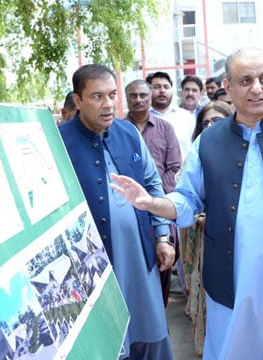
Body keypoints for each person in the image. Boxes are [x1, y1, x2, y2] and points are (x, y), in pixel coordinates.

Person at [111, 47, 263, 359]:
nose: (256, 88)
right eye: (245, 80)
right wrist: (151, 203)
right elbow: (187, 200)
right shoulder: (209, 142)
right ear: (228, 87)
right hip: (231, 276)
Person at [59, 64, 175, 359]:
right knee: (109, 341)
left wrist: (162, 236)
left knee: (150, 332)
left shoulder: (129, 132)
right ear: (78, 100)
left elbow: (151, 183)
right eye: (97, 96)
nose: (108, 104)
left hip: (138, 254)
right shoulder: (60, 141)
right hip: (91, 263)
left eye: (112, 95)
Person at [181, 100, 234, 357]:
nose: (211, 126)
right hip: (204, 244)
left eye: (218, 121)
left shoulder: (245, 152)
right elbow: (185, 200)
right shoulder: (196, 155)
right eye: (206, 122)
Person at [124, 79, 182, 307]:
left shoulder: (164, 128)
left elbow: (174, 167)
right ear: (126, 98)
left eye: (143, 96)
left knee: (163, 263)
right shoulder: (117, 129)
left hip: (160, 208)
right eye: (133, 95)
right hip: (128, 209)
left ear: (150, 98)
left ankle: (161, 316)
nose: (138, 100)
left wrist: (153, 200)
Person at [147, 71, 195, 159]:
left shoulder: (186, 117)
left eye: (166, 87)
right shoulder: (143, 118)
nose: (162, 91)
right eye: (157, 87)